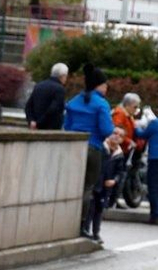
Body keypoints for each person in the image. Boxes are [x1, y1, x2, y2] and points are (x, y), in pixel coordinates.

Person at [64, 64, 114, 241]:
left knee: (71, 185)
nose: (107, 87)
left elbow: (66, 127)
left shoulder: (73, 101)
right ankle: (81, 225)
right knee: (87, 187)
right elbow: (107, 129)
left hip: (73, 147)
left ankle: (64, 219)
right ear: (98, 85)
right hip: (93, 148)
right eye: (105, 84)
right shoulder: (101, 104)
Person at [26, 62, 67, 130]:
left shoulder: (39, 85)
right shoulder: (60, 89)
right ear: (62, 76)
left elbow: (28, 106)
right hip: (51, 128)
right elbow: (53, 109)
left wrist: (31, 121)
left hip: (34, 126)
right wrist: (39, 122)